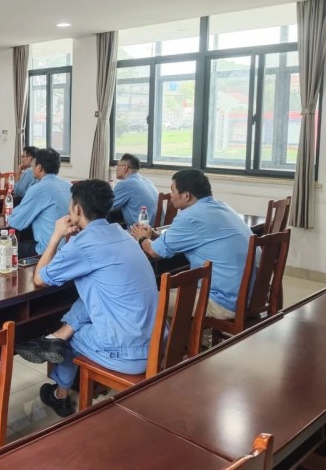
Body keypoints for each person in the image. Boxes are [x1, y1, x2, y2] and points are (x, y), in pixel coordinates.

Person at [15, 180, 158, 417]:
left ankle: (60, 395)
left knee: (70, 341)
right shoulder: (123, 234)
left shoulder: (84, 244)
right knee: (89, 299)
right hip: (154, 342)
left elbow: (40, 278)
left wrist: (56, 236)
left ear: (77, 209)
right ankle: (57, 335)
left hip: (127, 353)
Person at [131, 168, 252, 320]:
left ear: (186, 195)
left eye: (173, 191)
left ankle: (170, 335)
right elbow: (193, 237)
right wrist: (154, 235)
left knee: (143, 301)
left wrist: (142, 238)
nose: (171, 195)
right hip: (248, 296)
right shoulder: (222, 206)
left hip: (221, 301)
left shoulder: (190, 216)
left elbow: (154, 252)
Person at [7, 148, 72, 257]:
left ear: (39, 167)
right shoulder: (69, 185)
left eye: (34, 163)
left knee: (8, 247)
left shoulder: (38, 189)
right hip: (68, 248)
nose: (32, 167)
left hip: (48, 251)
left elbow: (15, 222)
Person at [112, 153, 159, 226]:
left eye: (117, 165)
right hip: (157, 228)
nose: (116, 169)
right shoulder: (147, 181)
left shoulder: (126, 184)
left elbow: (107, 206)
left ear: (125, 168)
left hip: (142, 230)